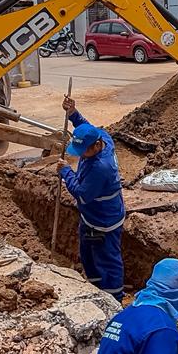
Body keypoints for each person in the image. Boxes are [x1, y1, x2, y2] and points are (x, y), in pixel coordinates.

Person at [59, 95, 126, 301]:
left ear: (96, 147)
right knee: (88, 255)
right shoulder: (103, 137)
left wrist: (65, 172)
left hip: (104, 220)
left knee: (108, 260)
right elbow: (87, 127)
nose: (80, 155)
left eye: (83, 152)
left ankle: (113, 299)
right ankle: (96, 288)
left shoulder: (100, 168)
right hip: (90, 219)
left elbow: (82, 194)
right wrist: (73, 114)